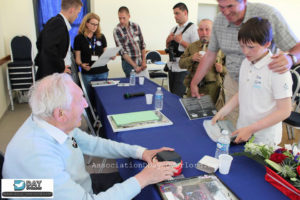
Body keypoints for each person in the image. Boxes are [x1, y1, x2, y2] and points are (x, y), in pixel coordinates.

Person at [2, 73, 177, 199]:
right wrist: (143, 178)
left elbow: (94, 144)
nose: (86, 104)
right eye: (80, 101)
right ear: (60, 114)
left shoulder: (47, 120)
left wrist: (141, 152)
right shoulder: (38, 158)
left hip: (78, 185)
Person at [190, 0, 300, 122]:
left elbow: (296, 46)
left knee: (257, 125)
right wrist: (194, 82)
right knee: (234, 123)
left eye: (230, 6)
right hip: (233, 83)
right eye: (221, 7)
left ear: (244, 1)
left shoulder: (269, 14)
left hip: (263, 86)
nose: (226, 12)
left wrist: (291, 58)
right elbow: (210, 55)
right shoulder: (219, 21)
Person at [212, 17, 292, 145]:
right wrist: (224, 110)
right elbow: (243, 91)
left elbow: (285, 111)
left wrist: (251, 129)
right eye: (242, 46)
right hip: (242, 129)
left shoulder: (277, 69)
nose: (245, 52)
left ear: (267, 44)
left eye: (250, 47)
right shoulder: (246, 62)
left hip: (264, 138)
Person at [179, 19, 226, 105]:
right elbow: (181, 64)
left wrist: (222, 69)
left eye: (207, 29)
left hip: (212, 89)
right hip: (193, 87)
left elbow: (232, 71)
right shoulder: (192, 46)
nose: (204, 33)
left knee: (211, 116)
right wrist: (191, 58)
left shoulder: (221, 48)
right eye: (201, 29)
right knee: (191, 114)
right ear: (197, 31)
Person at [35, 0, 82, 80]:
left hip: (56, 73)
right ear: (72, 10)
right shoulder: (58, 23)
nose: (77, 16)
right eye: (78, 13)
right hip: (54, 75)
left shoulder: (56, 22)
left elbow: (39, 43)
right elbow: (48, 48)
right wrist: (60, 67)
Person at [74, 13, 112, 101]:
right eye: (93, 24)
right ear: (86, 23)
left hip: (102, 72)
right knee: (89, 97)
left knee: (102, 97)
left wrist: (110, 56)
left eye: (97, 24)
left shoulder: (101, 37)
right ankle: (93, 114)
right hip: (88, 73)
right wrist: (81, 65)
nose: (95, 26)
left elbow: (105, 54)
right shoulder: (79, 38)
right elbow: (77, 59)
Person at [166, 2, 199, 97]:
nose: (175, 16)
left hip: (183, 69)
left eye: (177, 13)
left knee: (177, 97)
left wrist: (181, 41)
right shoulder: (173, 29)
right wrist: (168, 41)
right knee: (171, 95)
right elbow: (168, 48)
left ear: (185, 13)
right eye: (174, 14)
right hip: (172, 66)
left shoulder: (193, 29)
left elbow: (196, 50)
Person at [113, 6, 148, 78]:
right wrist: (135, 66)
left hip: (140, 61)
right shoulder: (117, 30)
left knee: (145, 85)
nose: (121, 21)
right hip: (128, 63)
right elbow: (122, 52)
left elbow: (142, 44)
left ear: (129, 16)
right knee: (132, 86)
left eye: (123, 18)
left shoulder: (136, 26)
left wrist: (144, 60)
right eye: (119, 18)